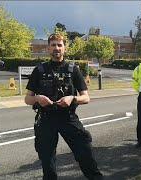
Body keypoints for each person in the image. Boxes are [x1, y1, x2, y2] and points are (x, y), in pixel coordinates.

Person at [25, 34, 103, 180]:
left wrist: (72, 98)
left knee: (86, 154)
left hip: (68, 118)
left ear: (64, 48)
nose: (56, 48)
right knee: (47, 162)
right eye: (53, 45)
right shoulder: (39, 70)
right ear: (48, 48)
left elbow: (86, 97)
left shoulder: (73, 69)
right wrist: (37, 98)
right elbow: (27, 99)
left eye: (59, 45)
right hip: (46, 119)